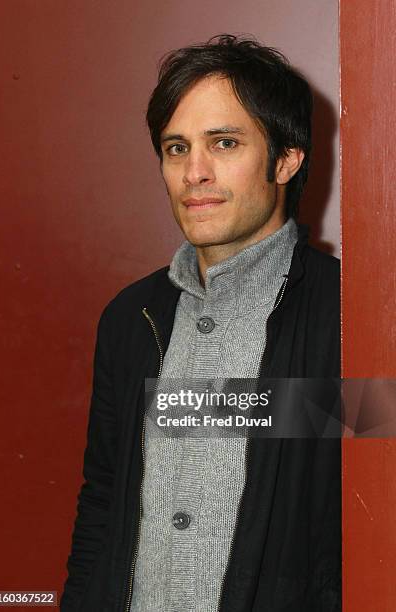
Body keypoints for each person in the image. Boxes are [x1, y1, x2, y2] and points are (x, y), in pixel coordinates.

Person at [61, 34, 341, 611]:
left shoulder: (347, 315)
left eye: (225, 142)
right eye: (177, 148)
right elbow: (104, 499)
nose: (195, 172)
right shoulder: (129, 318)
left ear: (286, 158)